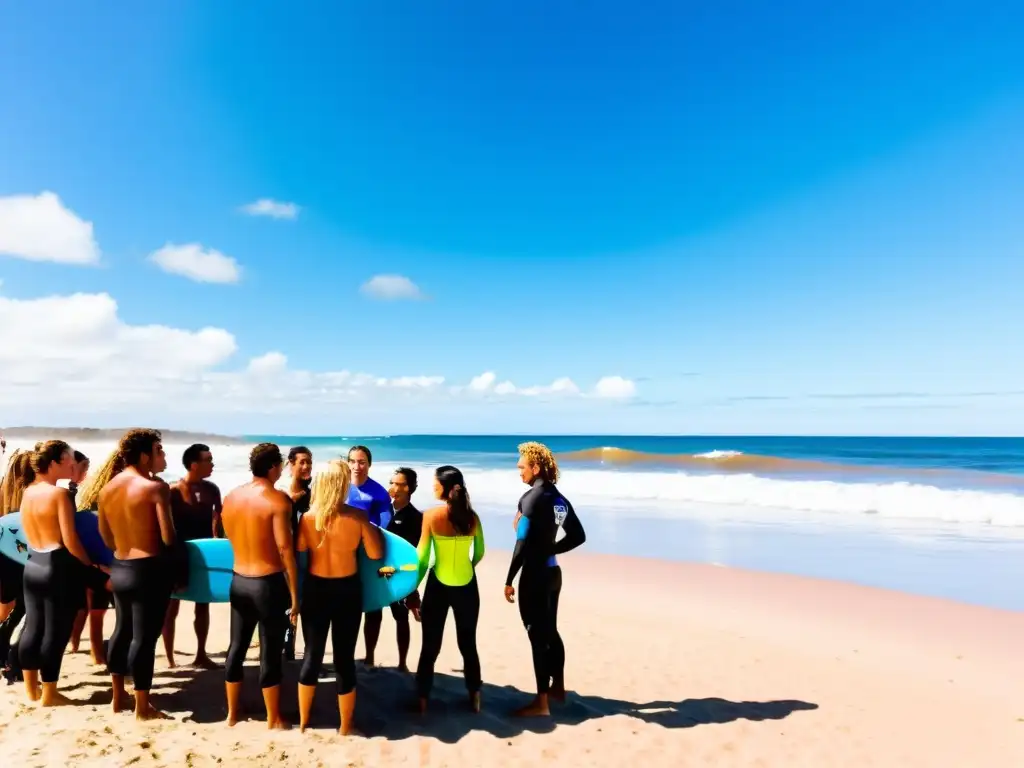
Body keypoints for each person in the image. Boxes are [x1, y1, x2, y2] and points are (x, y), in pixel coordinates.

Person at [295, 460, 383, 734]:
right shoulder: (357, 516)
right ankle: (346, 726)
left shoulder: (309, 518)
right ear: (343, 485)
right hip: (346, 591)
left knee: (312, 655)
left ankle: (304, 723)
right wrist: (369, 527)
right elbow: (375, 554)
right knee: (345, 658)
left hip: (315, 589)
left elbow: (299, 548)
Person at [97, 428, 177, 720]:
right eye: (159, 450)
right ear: (145, 456)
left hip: (120, 568)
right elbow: (168, 538)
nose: (163, 456)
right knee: (144, 639)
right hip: (148, 571)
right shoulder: (155, 488)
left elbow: (106, 538)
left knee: (121, 632)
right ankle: (143, 708)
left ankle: (118, 698)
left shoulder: (108, 489)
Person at [504, 441, 587, 717]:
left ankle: (541, 704)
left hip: (535, 576)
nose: (520, 473)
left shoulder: (531, 498)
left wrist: (509, 578)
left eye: (522, 468)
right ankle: (558, 688)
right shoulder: (559, 499)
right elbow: (578, 536)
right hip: (553, 573)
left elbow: (521, 543)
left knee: (535, 634)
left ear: (535, 467)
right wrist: (552, 548)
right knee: (550, 630)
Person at [221, 442, 298, 730]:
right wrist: (295, 595)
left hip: (238, 580)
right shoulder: (277, 501)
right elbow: (285, 550)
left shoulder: (232, 497)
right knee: (270, 652)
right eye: (280, 465)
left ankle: (231, 713)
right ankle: (274, 718)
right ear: (272, 467)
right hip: (267, 584)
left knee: (237, 647)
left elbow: (226, 533)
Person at [17, 440, 98, 706]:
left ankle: (32, 691)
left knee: (32, 628)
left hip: (34, 563)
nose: (72, 464)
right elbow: (71, 541)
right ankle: (50, 694)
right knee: (56, 631)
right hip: (57, 565)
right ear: (55, 462)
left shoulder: (28, 492)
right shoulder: (58, 495)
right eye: (69, 459)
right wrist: (92, 565)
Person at [411, 465, 485, 713]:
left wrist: (412, 587)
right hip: (467, 585)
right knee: (468, 644)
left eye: (435, 483)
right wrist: (467, 566)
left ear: (444, 487)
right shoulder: (472, 518)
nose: (432, 486)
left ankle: (422, 701)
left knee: (430, 646)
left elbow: (422, 558)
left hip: (438, 585)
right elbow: (480, 553)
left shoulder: (431, 516)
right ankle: (475, 697)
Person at [162, 443, 222, 669]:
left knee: (203, 604)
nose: (212, 464)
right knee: (172, 605)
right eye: (208, 460)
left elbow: (219, 517)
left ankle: (201, 654)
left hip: (205, 552)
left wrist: (219, 544)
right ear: (194, 464)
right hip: (178, 553)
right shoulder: (174, 490)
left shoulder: (212, 489)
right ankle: (169, 658)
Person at [362, 467, 423, 670]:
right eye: (392, 483)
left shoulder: (416, 518)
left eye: (401, 484)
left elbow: (413, 556)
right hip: (377, 571)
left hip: (398, 575)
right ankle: (369, 658)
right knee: (373, 614)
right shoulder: (382, 511)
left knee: (401, 616)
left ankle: (402, 663)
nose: (394, 488)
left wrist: (412, 586)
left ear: (411, 488)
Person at [71, 449, 127, 666]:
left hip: (101, 556)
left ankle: (80, 645)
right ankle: (95, 653)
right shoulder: (111, 489)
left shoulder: (99, 488)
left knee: (92, 609)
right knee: (96, 609)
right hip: (101, 558)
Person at [282, 445, 313, 662]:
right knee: (287, 602)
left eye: (309, 462)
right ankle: (287, 648)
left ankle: (303, 652)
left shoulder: (310, 492)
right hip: (284, 555)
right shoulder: (281, 492)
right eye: (302, 462)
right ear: (290, 463)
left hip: (305, 554)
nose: (306, 466)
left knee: (305, 602)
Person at [67, 450, 92, 655]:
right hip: (73, 554)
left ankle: (73, 643)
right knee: (79, 606)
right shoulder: (66, 492)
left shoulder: (76, 490)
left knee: (81, 606)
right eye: (84, 468)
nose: (86, 473)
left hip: (76, 552)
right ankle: (72, 643)